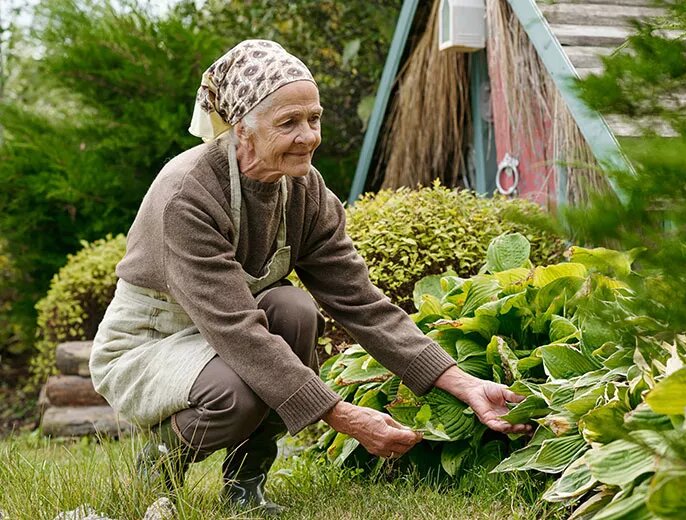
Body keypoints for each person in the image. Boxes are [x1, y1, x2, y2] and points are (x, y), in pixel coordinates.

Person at [89, 39, 529, 516]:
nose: (309, 136)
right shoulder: (187, 197)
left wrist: (463, 384)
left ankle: (245, 488)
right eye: (288, 123)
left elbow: (360, 302)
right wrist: (346, 417)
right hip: (151, 339)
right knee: (235, 395)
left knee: (294, 309)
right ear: (243, 131)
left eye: (313, 118)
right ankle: (156, 469)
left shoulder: (304, 190)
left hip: (227, 331)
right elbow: (238, 331)